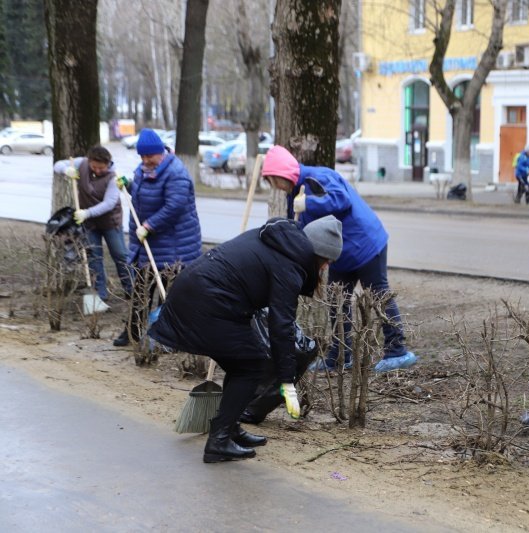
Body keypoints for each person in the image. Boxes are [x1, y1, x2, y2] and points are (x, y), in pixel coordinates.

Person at [149, 216, 344, 463]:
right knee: (250, 367)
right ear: (319, 255)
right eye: (326, 261)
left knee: (241, 362)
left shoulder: (280, 241)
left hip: (198, 291)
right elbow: (281, 325)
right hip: (207, 302)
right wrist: (287, 382)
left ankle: (228, 428)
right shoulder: (291, 265)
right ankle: (218, 441)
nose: (325, 267)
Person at [261, 145, 417, 373]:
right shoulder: (296, 194)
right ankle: (340, 355)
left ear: (284, 173)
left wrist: (309, 204)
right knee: (337, 302)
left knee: (379, 295)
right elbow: (298, 228)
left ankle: (397, 351)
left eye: (275, 181)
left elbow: (341, 199)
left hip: (365, 245)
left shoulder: (318, 177)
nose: (276, 187)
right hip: (340, 254)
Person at [113, 129, 202, 347]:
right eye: (142, 157)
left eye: (149, 156)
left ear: (160, 152)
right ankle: (132, 332)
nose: (145, 160)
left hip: (174, 245)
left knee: (167, 296)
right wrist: (130, 185)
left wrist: (150, 225)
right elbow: (147, 195)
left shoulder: (176, 173)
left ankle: (166, 338)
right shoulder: (144, 170)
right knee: (141, 290)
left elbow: (174, 206)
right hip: (149, 243)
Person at [54, 146, 133, 302]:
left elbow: (109, 203)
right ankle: (100, 294)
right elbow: (57, 165)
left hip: (110, 222)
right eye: (94, 166)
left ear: (108, 163)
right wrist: (65, 170)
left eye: (101, 167)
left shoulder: (113, 177)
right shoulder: (81, 163)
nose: (97, 170)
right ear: (89, 161)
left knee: (120, 256)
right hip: (89, 224)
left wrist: (86, 213)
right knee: (94, 257)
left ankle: (131, 289)